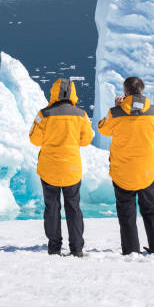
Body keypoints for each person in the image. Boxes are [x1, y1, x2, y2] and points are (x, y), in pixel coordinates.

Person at [97, 76, 154, 256]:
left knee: (126, 213)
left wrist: (116, 107)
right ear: (142, 91)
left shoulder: (115, 113)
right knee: (151, 210)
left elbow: (102, 129)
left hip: (123, 171)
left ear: (125, 92)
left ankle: (131, 251)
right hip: (147, 170)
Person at [29, 77, 93, 257]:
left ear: (54, 92)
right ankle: (77, 248)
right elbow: (86, 140)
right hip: (71, 169)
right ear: (72, 93)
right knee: (73, 207)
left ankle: (54, 246)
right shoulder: (81, 115)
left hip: (49, 169)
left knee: (52, 207)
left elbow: (34, 139)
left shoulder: (44, 114)